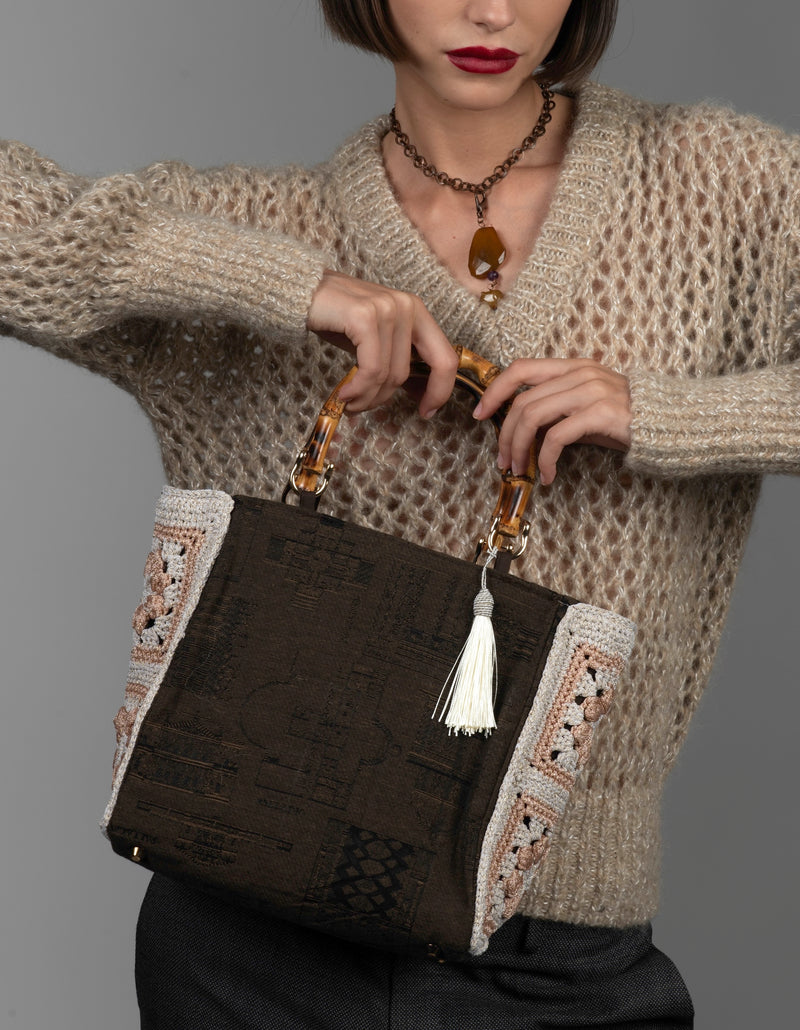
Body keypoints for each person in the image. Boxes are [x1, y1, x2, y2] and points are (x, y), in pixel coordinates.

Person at [0, 0, 797, 1026]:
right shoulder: (267, 225)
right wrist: (286, 284)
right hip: (251, 948)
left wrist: (660, 410)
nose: (490, 9)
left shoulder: (717, 188)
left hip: (556, 956)